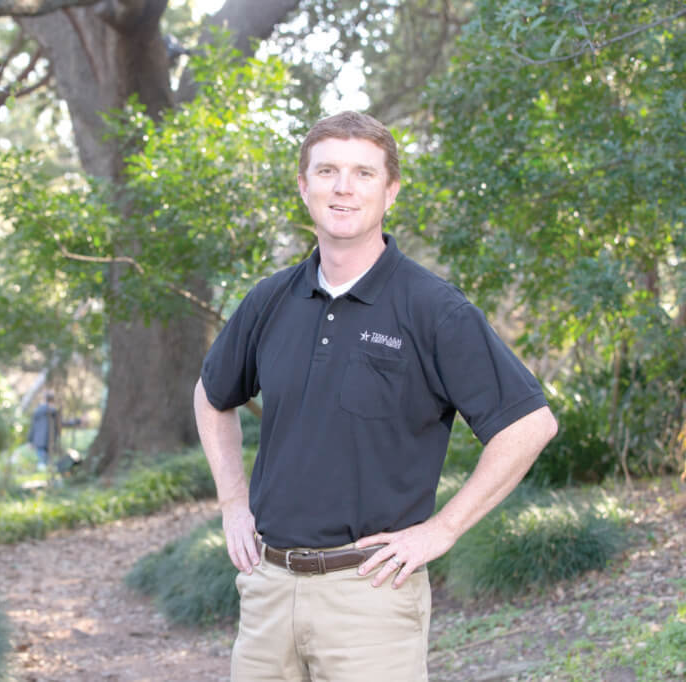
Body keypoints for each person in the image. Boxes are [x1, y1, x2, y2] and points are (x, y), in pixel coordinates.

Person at [193, 110, 558, 681]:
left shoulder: (434, 308)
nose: (343, 187)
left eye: (363, 173)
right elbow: (212, 396)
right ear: (303, 186)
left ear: (390, 191)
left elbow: (529, 424)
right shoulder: (270, 300)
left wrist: (443, 529)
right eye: (327, 171)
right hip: (266, 592)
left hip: (371, 597)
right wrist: (233, 503)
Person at [28, 391, 60, 471]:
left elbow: (33, 427)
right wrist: (77, 421)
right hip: (50, 439)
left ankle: (45, 471)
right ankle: (47, 472)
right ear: (52, 401)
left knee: (43, 461)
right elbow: (60, 423)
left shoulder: (37, 411)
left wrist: (30, 440)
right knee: (47, 461)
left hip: (39, 440)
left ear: (44, 399)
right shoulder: (54, 411)